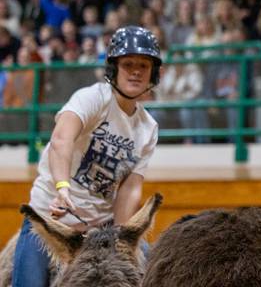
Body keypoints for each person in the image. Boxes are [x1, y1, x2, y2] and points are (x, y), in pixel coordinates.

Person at [11, 26, 162, 287]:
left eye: (143, 65)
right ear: (114, 68)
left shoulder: (148, 128)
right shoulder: (92, 98)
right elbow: (61, 140)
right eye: (128, 64)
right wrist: (62, 187)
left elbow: (130, 189)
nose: (136, 71)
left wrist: (122, 237)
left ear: (153, 73)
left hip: (101, 232)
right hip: (50, 225)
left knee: (157, 276)